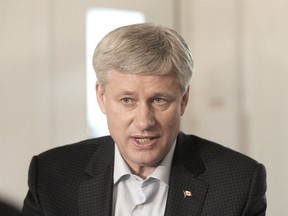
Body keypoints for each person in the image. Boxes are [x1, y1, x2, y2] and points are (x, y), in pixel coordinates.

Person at [21, 23, 267, 216]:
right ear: (102, 97)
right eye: (127, 100)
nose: (144, 121)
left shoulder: (238, 183)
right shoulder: (52, 175)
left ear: (183, 100)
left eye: (159, 100)